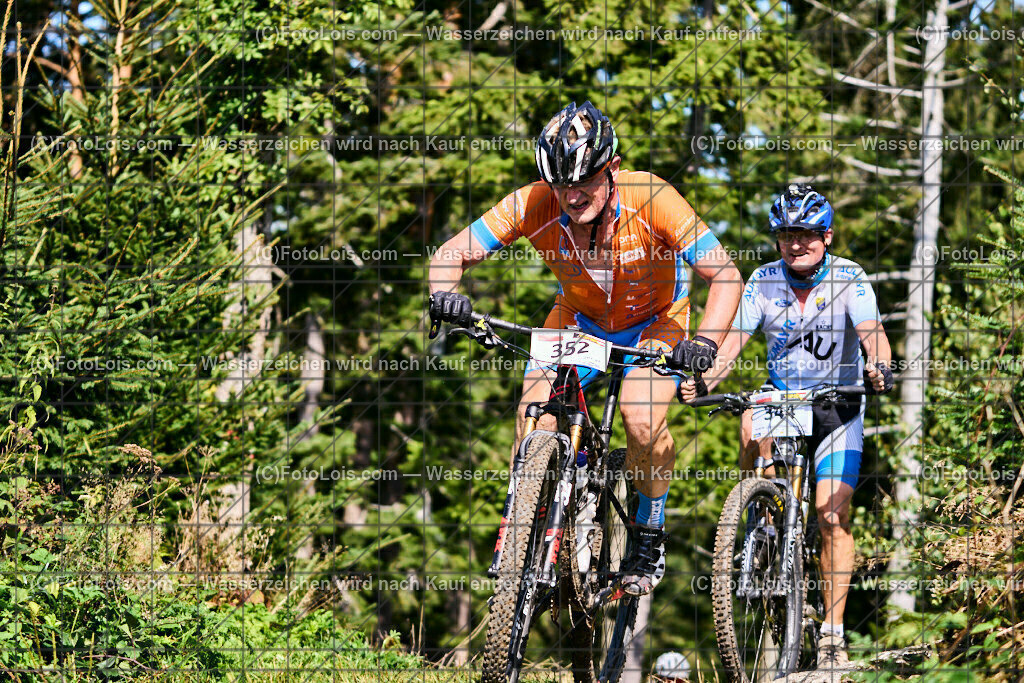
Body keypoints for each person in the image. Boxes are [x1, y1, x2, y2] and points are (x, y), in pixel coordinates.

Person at [427, 101, 743, 596]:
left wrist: (704, 343)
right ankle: (544, 514)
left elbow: (724, 274)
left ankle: (649, 528)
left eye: (585, 183)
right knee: (534, 413)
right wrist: (444, 294)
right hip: (580, 320)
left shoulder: (653, 196)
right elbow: (452, 253)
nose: (571, 197)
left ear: (612, 169)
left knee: (641, 418)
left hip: (654, 322)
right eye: (561, 185)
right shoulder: (534, 203)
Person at [678, 183, 895, 670]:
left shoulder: (850, 278)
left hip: (838, 405)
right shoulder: (763, 280)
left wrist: (880, 364)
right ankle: (759, 513)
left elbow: (872, 334)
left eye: (807, 234)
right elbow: (733, 342)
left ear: (827, 236)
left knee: (831, 514)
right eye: (786, 235)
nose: (796, 244)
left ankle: (834, 635)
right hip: (785, 398)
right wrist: (704, 379)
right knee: (751, 417)